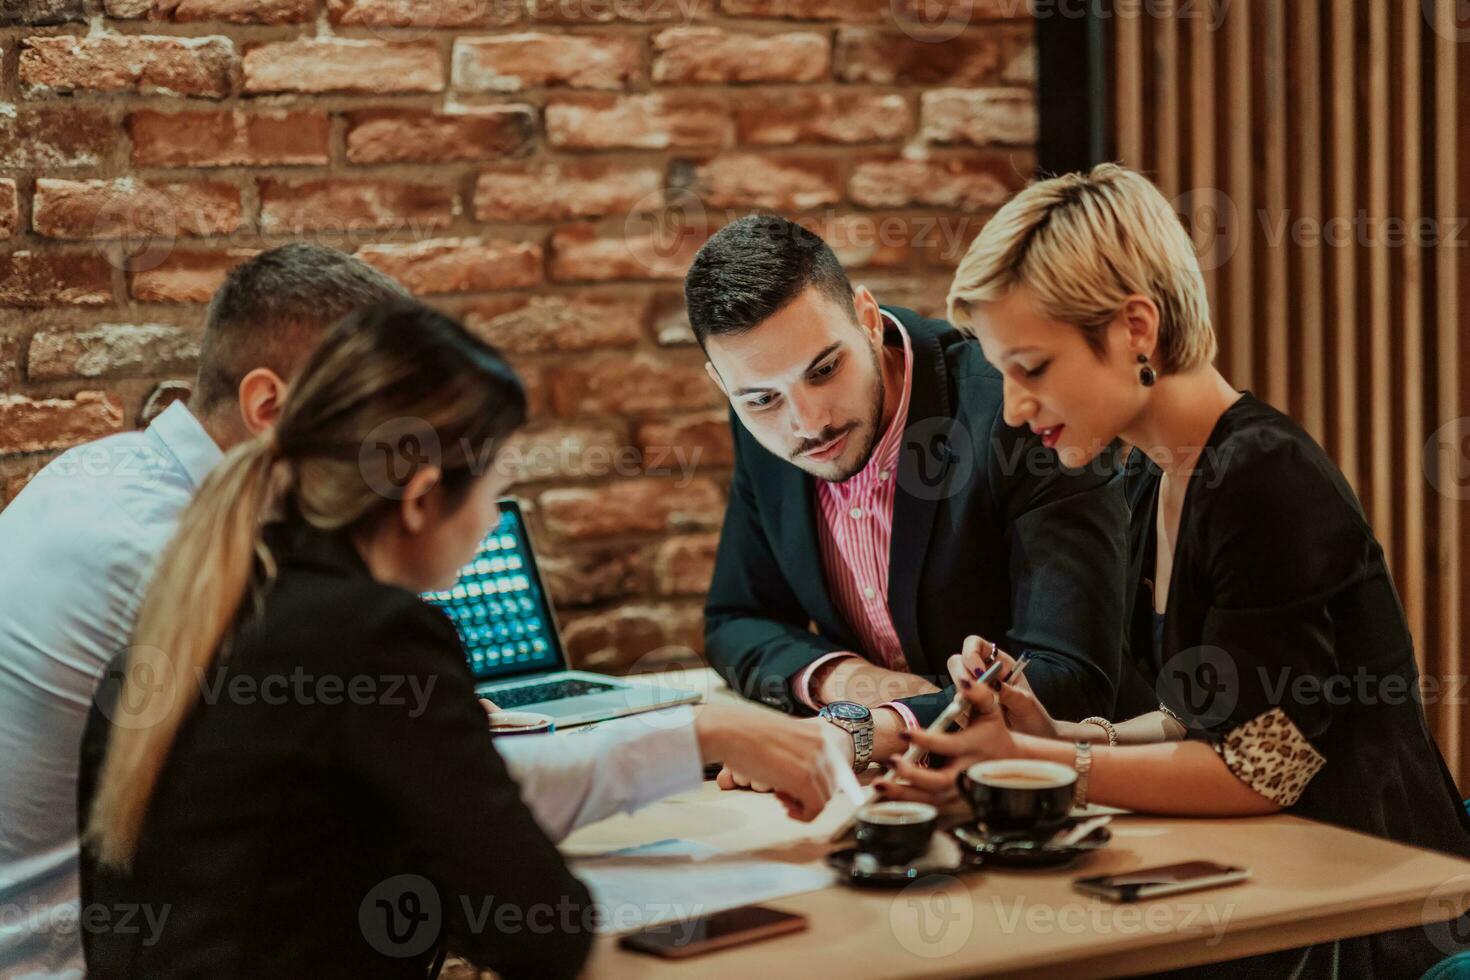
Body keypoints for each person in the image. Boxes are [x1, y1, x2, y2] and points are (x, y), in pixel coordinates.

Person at [0, 244, 844, 977]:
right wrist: (694, 738)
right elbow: (497, 875)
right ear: (414, 495)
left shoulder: (143, 510)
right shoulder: (297, 605)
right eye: (495, 488)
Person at [873, 163, 1470, 978]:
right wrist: (1058, 732)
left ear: (1135, 330)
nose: (1011, 408)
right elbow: (1208, 720)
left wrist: (1036, 763)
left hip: (1371, 908)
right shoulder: (1157, 476)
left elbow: (1265, 768)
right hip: (1279, 882)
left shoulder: (1262, 476)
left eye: (1032, 368)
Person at [685, 215, 1130, 785]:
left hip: (1058, 791)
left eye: (824, 369)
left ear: (867, 319)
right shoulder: (762, 422)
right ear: (725, 386)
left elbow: (1074, 675)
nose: (808, 423)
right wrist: (850, 684)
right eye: (761, 399)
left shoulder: (1016, 412)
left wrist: (872, 727)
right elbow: (737, 618)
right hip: (883, 794)